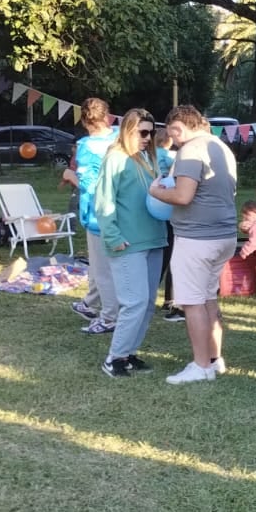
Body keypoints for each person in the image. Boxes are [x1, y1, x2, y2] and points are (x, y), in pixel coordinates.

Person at [148, 105, 238, 385]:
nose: (172, 139)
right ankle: (215, 359)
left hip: (197, 239)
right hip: (224, 235)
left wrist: (156, 191)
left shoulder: (189, 150)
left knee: (192, 302)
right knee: (208, 297)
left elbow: (184, 195)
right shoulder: (221, 147)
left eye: (172, 133)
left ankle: (200, 366)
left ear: (178, 127)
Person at [93, 109, 167, 378]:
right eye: (142, 132)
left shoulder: (149, 158)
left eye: (151, 132)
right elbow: (103, 201)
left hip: (153, 239)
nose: (148, 138)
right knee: (134, 302)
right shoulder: (115, 158)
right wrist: (113, 237)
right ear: (127, 130)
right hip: (127, 243)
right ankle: (114, 358)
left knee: (147, 303)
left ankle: (128, 353)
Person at [72, 99, 119, 335]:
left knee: (102, 269)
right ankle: (91, 305)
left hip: (99, 214)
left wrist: (71, 177)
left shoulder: (86, 147)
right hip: (126, 209)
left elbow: (88, 186)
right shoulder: (122, 137)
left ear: (83, 120)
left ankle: (109, 317)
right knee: (120, 265)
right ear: (108, 116)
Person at [153, 131, 183, 321]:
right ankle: (171, 300)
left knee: (165, 253)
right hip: (168, 205)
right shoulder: (173, 157)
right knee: (173, 255)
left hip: (158, 203)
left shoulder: (151, 155)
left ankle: (156, 294)